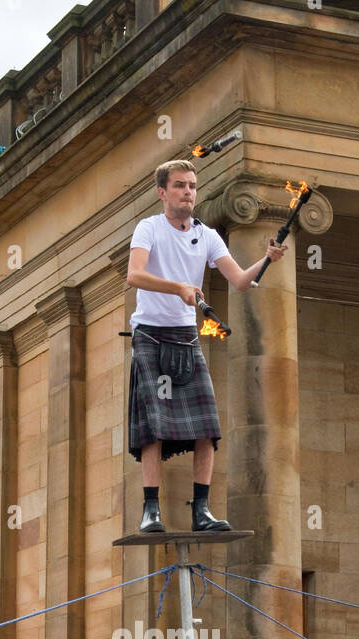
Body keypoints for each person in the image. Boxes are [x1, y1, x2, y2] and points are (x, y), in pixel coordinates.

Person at [126, 159, 288, 533]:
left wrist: (267, 259)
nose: (188, 192)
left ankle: (202, 511)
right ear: (162, 192)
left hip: (186, 338)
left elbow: (242, 281)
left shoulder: (208, 235)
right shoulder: (148, 228)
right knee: (153, 427)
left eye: (193, 186)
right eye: (180, 185)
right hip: (150, 334)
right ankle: (151, 511)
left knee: (207, 427)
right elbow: (134, 275)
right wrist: (179, 288)